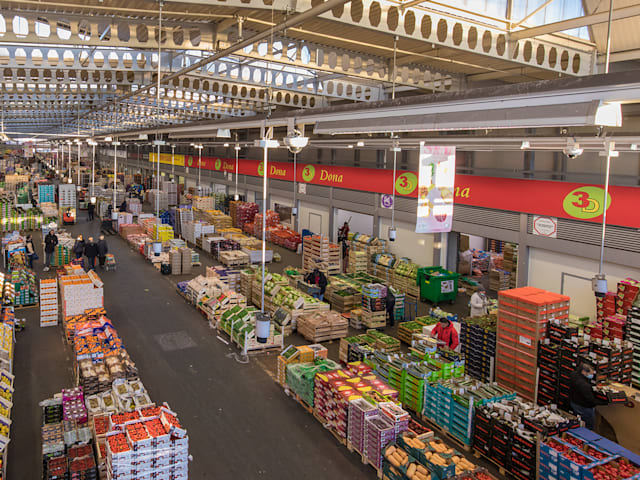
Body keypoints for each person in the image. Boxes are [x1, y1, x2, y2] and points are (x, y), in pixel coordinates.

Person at [570, 363, 607, 430]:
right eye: (591, 374)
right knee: (589, 425)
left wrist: (592, 387)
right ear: (583, 372)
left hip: (574, 402)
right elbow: (591, 400)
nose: (592, 375)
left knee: (577, 421)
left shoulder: (574, 375)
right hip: (584, 407)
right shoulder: (584, 385)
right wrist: (604, 402)